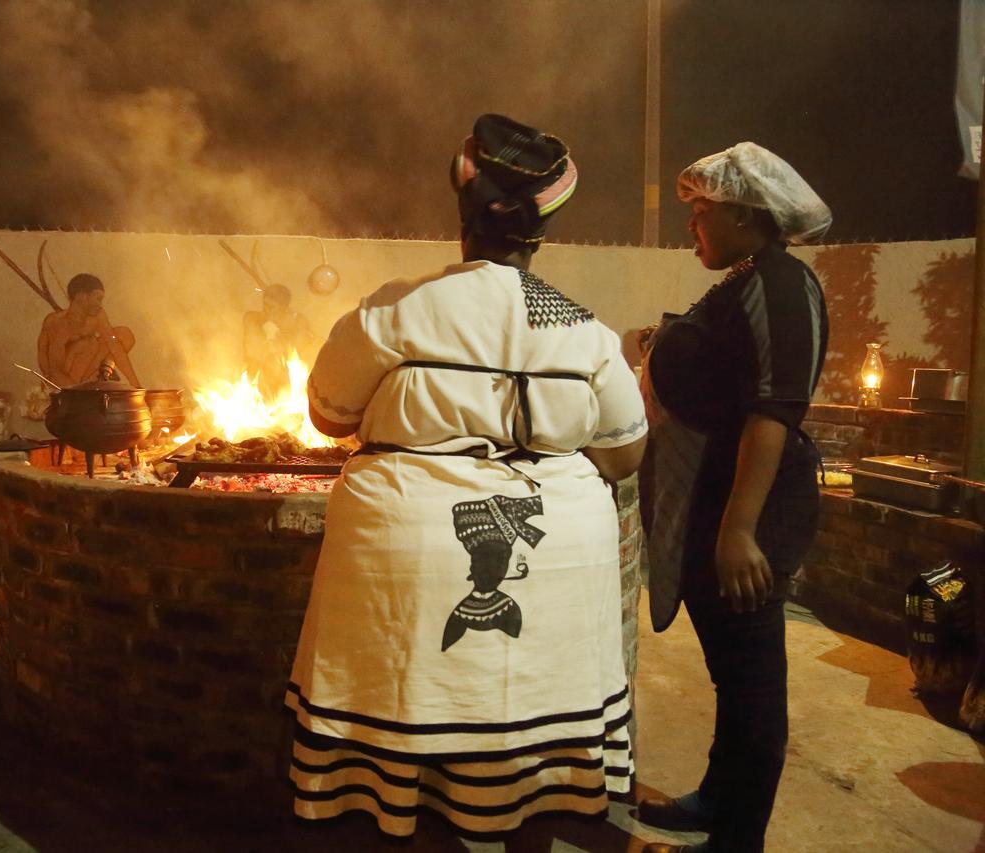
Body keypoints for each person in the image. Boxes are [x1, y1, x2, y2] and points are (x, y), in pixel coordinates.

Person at [286, 114, 647, 849]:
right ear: (539, 232)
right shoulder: (582, 330)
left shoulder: (396, 309)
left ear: (465, 221)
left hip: (405, 554)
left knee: (407, 728)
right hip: (557, 554)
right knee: (534, 741)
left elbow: (327, 414)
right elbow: (623, 453)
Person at [635, 142, 831, 853]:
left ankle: (738, 838)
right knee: (729, 671)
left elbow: (774, 410)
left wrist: (738, 529)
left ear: (748, 213)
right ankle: (719, 797)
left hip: (748, 511)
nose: (692, 223)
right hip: (713, 509)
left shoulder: (781, 284)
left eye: (702, 210)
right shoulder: (742, 278)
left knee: (753, 683)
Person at [37, 272, 140, 387]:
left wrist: (136, 386)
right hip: (64, 381)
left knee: (123, 334)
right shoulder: (57, 323)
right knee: (87, 344)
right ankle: (84, 386)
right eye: (98, 299)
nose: (100, 305)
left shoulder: (97, 316)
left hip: (87, 372)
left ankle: (104, 373)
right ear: (81, 296)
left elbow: (114, 346)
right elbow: (55, 370)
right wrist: (75, 393)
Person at [242, 282, 312, 398]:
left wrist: (279, 337)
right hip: (258, 373)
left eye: (272, 307)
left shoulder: (298, 322)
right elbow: (250, 349)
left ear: (284, 307)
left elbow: (301, 352)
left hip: (285, 377)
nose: (266, 310)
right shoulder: (253, 319)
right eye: (265, 305)